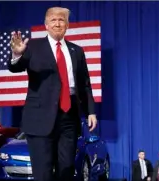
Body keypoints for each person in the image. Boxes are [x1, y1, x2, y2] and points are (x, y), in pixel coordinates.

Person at [7, 6, 97, 181]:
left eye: (61, 20)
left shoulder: (76, 51)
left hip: (68, 116)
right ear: (46, 25)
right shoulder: (32, 46)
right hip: (40, 117)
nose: (57, 23)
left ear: (67, 25)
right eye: (53, 20)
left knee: (67, 168)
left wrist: (91, 111)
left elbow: (85, 84)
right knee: (44, 172)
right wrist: (16, 54)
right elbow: (15, 67)